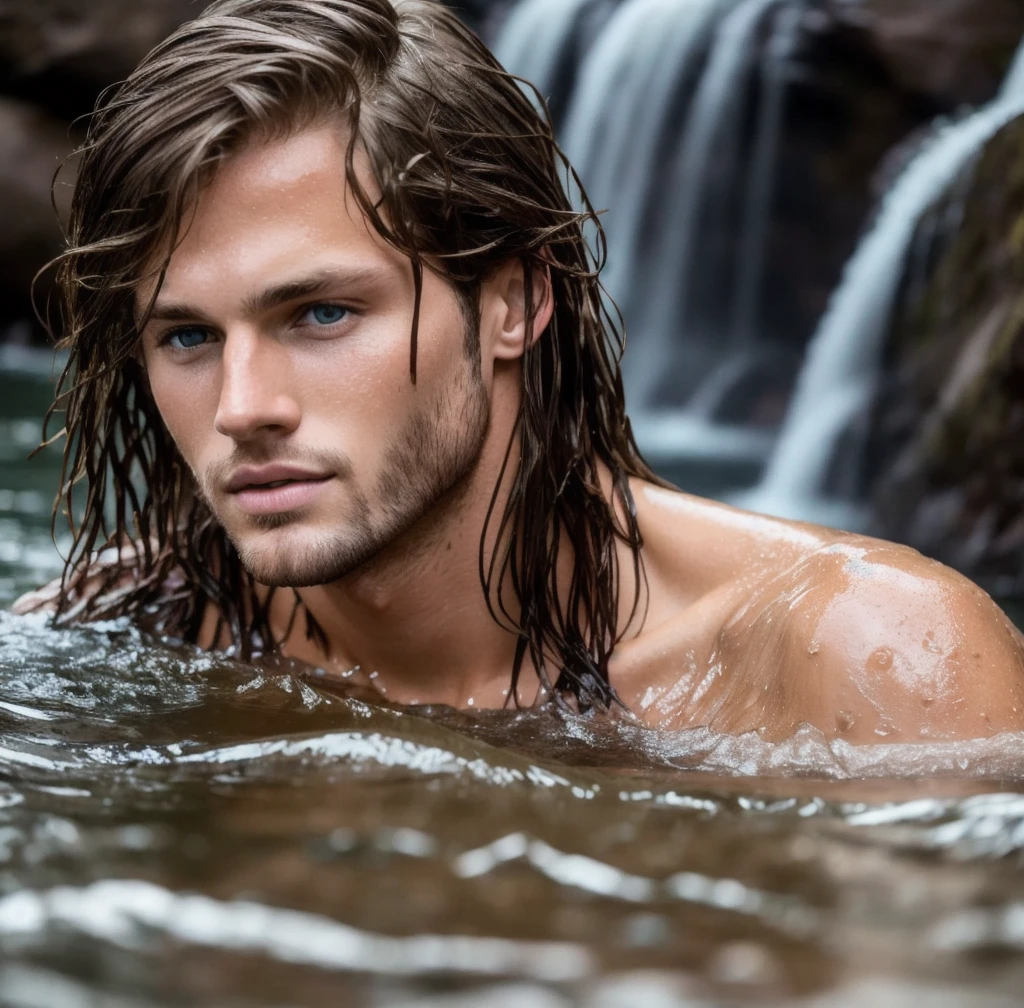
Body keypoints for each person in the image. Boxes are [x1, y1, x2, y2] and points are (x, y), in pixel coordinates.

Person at [13, 0, 1024, 743]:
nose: (244, 410)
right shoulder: (110, 625)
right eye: (186, 337)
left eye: (321, 313)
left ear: (511, 303)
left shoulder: (867, 668)